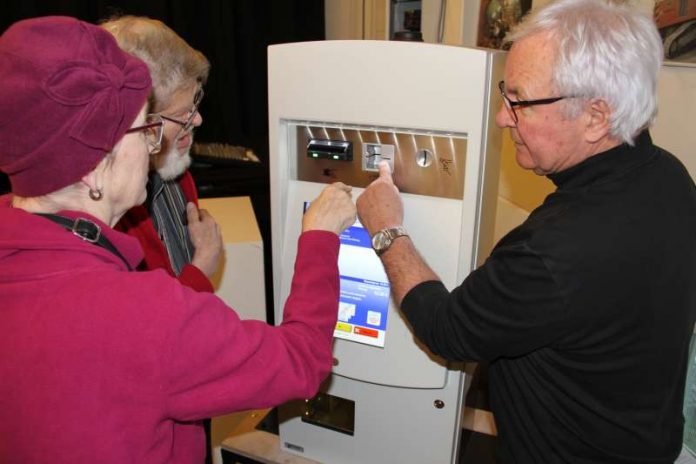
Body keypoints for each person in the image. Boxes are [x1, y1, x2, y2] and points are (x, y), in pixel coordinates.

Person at [0, 16, 356, 464]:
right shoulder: (142, 314)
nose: (154, 145)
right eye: (142, 129)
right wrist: (320, 237)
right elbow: (302, 363)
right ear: (93, 166)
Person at [357, 0, 696, 462]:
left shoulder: (555, 251)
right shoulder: (669, 176)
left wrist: (386, 230)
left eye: (520, 101)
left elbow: (447, 329)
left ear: (596, 117)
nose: (502, 117)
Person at [102, 16, 222, 292]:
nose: (197, 120)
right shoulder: (107, 213)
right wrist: (203, 265)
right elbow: (148, 326)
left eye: (195, 103)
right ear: (140, 122)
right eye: (183, 114)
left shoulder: (175, 171)